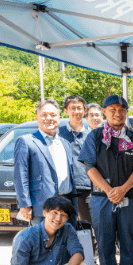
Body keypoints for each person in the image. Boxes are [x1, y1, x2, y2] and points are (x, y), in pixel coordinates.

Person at [78, 94, 133, 265]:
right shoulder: (95, 136)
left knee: (128, 241)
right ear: (104, 112)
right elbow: (89, 166)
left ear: (126, 112)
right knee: (105, 241)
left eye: (121, 110)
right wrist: (110, 190)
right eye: (112, 110)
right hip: (102, 198)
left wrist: (123, 189)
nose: (117, 113)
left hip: (130, 197)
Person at [14, 99, 76, 226]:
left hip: (67, 204)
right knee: (44, 244)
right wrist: (25, 204)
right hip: (42, 207)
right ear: (37, 117)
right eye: (44, 115)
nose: (49, 118)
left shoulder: (65, 143)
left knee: (66, 243)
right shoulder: (26, 141)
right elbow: (20, 175)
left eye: (53, 115)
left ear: (59, 117)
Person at [60, 95, 92, 226]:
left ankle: (91, 247)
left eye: (79, 108)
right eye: (72, 108)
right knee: (65, 225)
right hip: (64, 187)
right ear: (66, 111)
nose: (76, 111)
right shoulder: (58, 133)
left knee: (88, 225)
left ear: (85, 111)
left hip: (86, 187)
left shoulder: (92, 135)